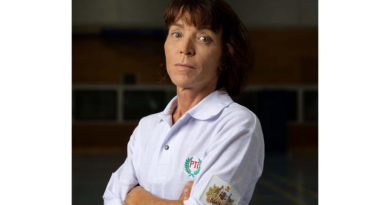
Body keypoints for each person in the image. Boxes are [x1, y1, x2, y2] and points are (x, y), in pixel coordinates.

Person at [103, 0, 265, 204]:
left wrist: (134, 197)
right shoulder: (147, 127)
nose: (185, 48)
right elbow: (111, 196)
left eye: (204, 38)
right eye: (177, 34)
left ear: (224, 57)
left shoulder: (238, 125)